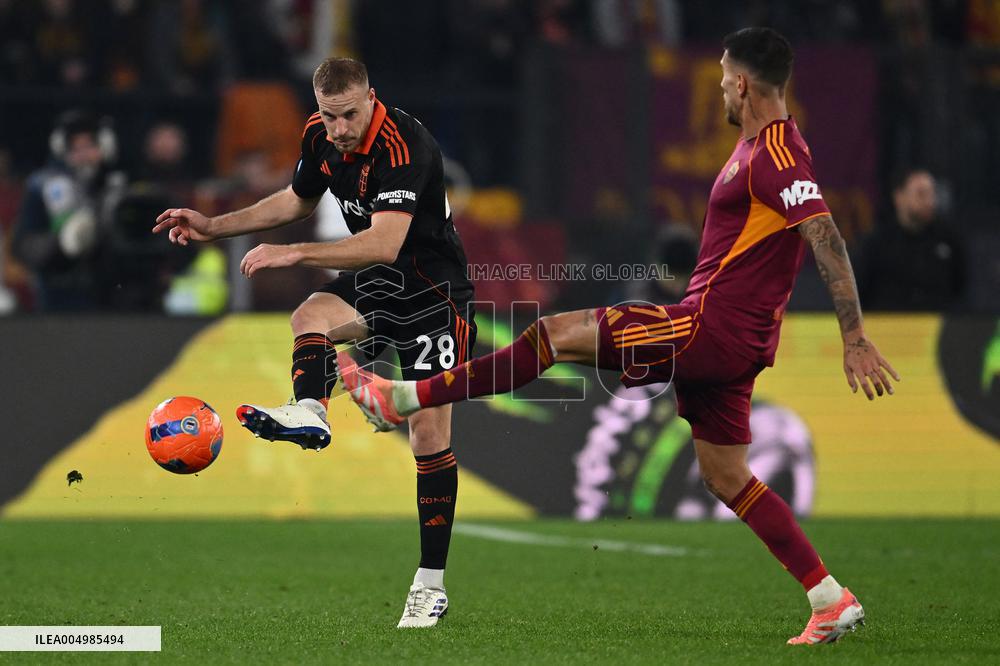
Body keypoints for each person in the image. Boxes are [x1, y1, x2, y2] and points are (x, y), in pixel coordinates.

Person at [340, 28, 900, 646]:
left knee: (554, 333)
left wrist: (854, 336)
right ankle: (828, 597)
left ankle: (407, 397)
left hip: (709, 327)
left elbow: (824, 234)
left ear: (742, 82)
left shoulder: (776, 154)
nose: (718, 86)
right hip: (732, 344)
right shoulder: (760, 148)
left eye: (721, 75)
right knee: (725, 475)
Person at [152, 57, 476, 628]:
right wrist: (214, 225)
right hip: (384, 284)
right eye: (329, 116)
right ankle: (312, 412)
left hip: (433, 291)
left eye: (349, 114)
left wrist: (293, 252)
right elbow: (296, 200)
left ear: (371, 98)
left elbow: (382, 242)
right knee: (312, 315)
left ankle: (431, 584)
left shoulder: (405, 147)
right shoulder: (318, 135)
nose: (340, 128)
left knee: (428, 432)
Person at [13, 110, 126, 311]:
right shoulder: (43, 186)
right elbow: (23, 246)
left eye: (90, 146)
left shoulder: (118, 185)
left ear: (105, 147)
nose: (83, 155)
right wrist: (61, 242)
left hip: (113, 297)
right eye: (75, 148)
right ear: (61, 150)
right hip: (60, 296)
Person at [858, 168, 965, 310]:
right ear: (899, 197)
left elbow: (961, 288)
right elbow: (858, 289)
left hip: (938, 327)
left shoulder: (949, 239)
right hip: (886, 326)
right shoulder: (876, 243)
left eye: (932, 194)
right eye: (921, 194)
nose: (929, 202)